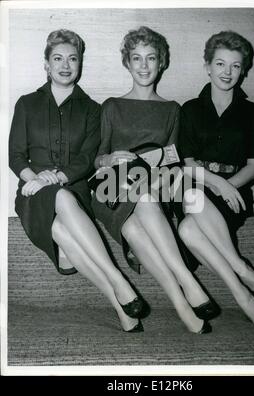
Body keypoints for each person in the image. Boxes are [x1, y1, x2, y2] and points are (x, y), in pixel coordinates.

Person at [9, 29, 145, 333]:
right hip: (33, 192)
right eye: (57, 58)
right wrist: (35, 179)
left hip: (75, 188)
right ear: (46, 63)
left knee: (61, 217)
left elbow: (86, 158)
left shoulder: (92, 110)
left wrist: (56, 178)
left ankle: (119, 301)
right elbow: (16, 156)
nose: (65, 65)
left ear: (80, 63)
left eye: (73, 58)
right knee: (57, 200)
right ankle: (120, 284)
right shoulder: (26, 104)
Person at [92, 26, 212, 334]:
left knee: (134, 224)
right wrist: (109, 158)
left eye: (151, 58)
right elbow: (97, 159)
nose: (144, 66)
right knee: (141, 198)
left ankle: (183, 306)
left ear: (162, 63)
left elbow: (172, 161)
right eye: (137, 59)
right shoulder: (112, 106)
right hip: (111, 187)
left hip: (152, 188)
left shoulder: (172, 110)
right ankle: (188, 281)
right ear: (127, 63)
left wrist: (159, 181)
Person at [178, 30, 254, 325]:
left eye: (235, 65)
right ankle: (242, 277)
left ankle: (245, 294)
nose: (227, 72)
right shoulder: (190, 110)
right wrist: (218, 183)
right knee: (193, 195)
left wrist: (227, 187)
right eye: (220, 64)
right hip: (197, 187)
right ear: (207, 66)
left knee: (186, 231)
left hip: (236, 193)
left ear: (243, 69)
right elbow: (187, 163)